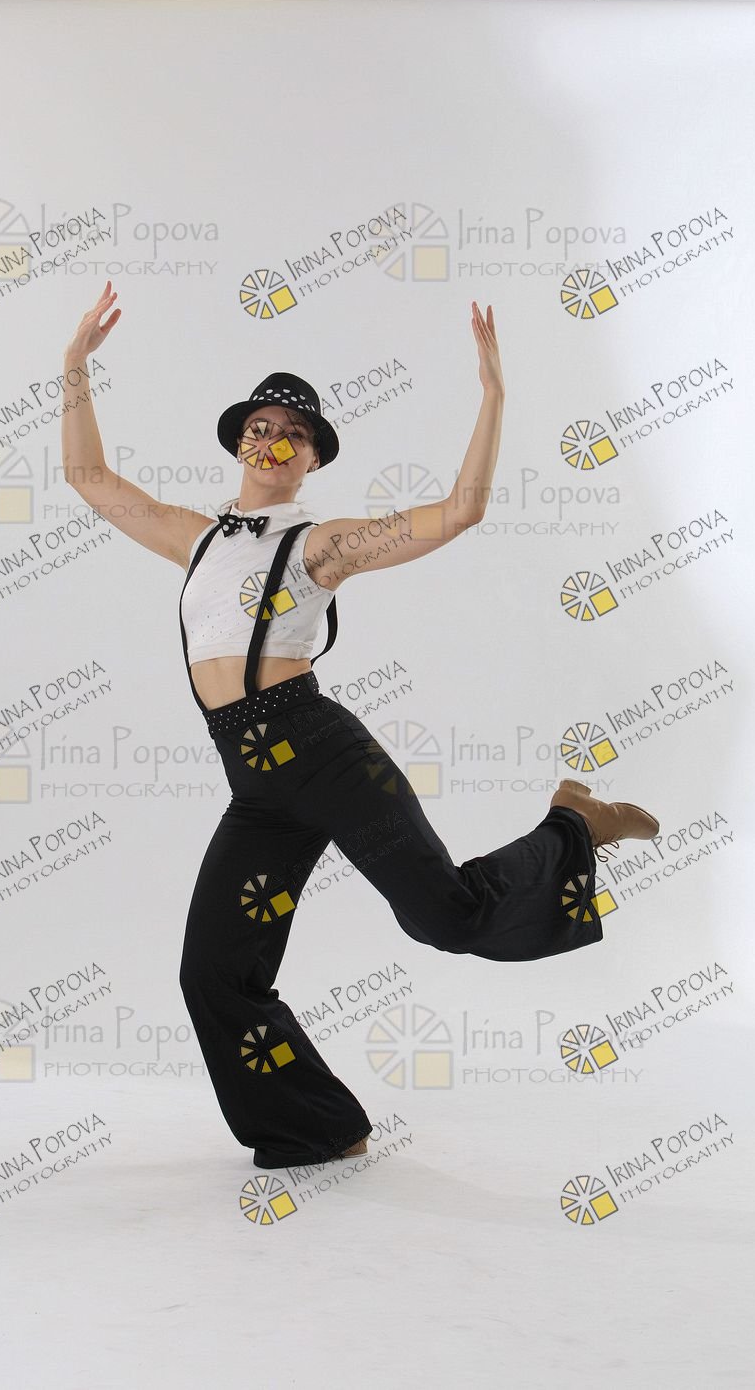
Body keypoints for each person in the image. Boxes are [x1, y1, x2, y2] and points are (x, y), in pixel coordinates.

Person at [61, 283, 660, 1171]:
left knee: (448, 917)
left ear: (311, 459)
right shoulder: (198, 539)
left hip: (323, 756)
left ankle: (575, 822)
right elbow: (89, 478)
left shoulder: (317, 544)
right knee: (214, 971)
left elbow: (457, 513)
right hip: (256, 786)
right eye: (261, 426)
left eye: (293, 434)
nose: (274, 440)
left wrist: (493, 396)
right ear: (239, 441)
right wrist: (74, 368)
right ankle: (320, 1127)